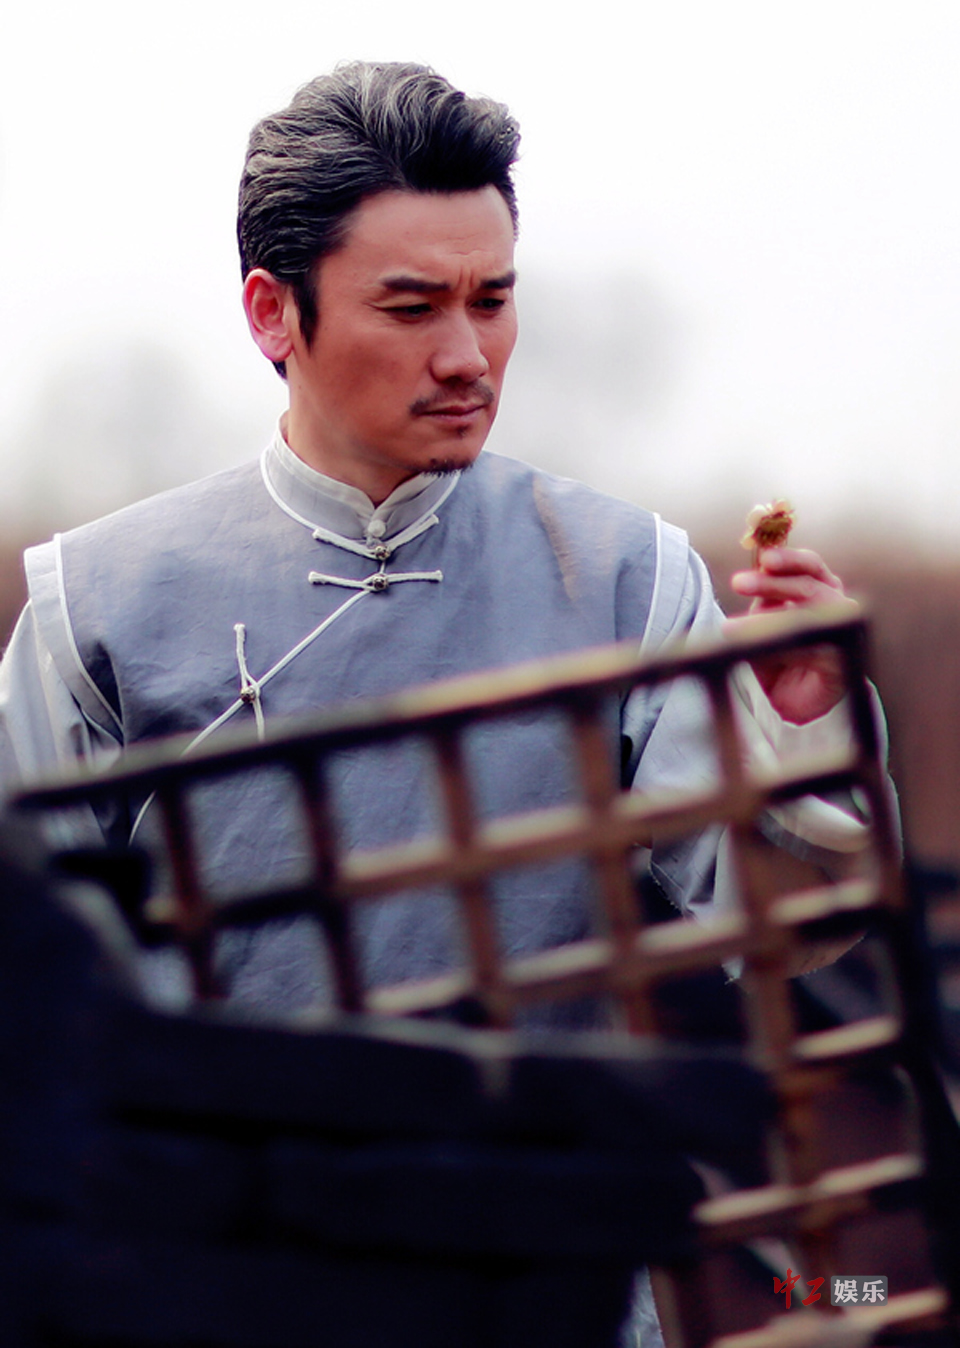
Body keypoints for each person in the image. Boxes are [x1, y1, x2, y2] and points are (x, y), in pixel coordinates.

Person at [0, 61, 871, 1017]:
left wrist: (802, 733)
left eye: (490, 302)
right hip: (212, 1121)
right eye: (412, 309)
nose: (465, 358)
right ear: (272, 313)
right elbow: (30, 972)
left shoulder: (629, 576)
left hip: (542, 1117)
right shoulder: (95, 603)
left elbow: (792, 931)